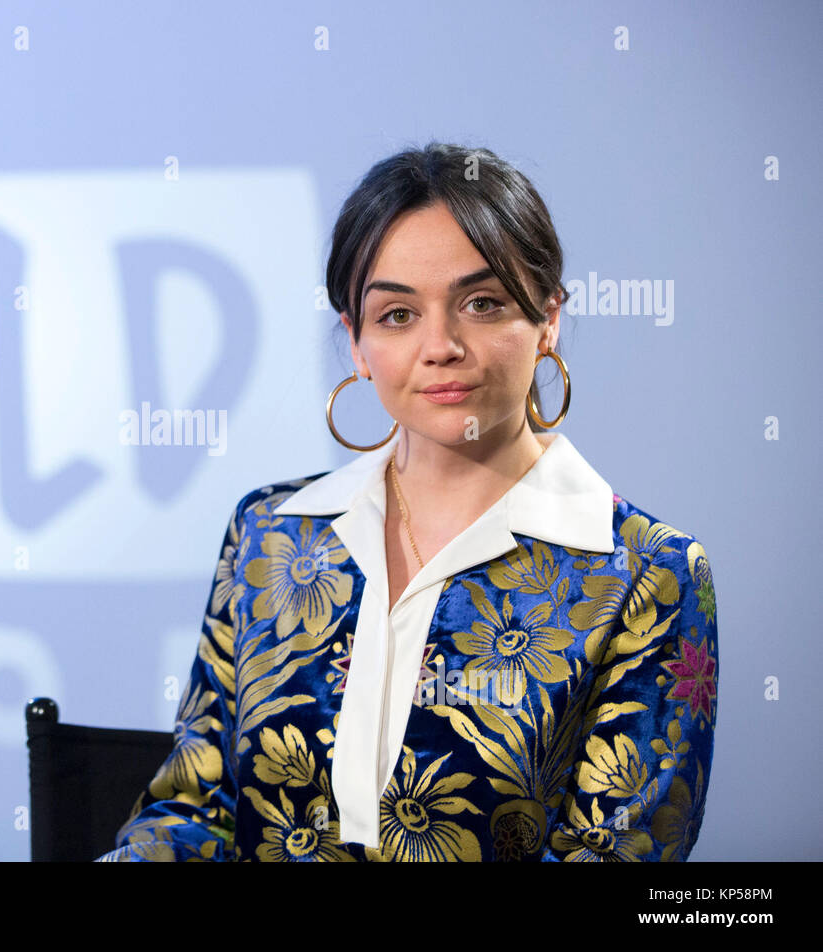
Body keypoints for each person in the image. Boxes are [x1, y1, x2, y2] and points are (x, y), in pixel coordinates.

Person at [95, 142, 717, 862]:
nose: (441, 345)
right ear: (355, 343)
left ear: (548, 318)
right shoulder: (268, 534)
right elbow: (196, 807)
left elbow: (616, 853)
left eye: (482, 304)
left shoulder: (649, 574)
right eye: (395, 315)